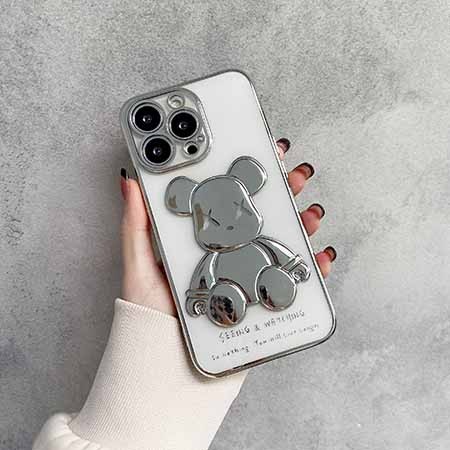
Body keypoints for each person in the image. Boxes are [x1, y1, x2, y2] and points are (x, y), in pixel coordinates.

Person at [33, 139, 337, 450]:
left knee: (271, 274)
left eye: (239, 209)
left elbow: (278, 251)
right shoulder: (213, 260)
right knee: (228, 293)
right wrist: (195, 304)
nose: (230, 224)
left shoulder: (256, 246)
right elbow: (202, 281)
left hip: (260, 287)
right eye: (214, 220)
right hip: (228, 301)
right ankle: (232, 301)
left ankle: (271, 286)